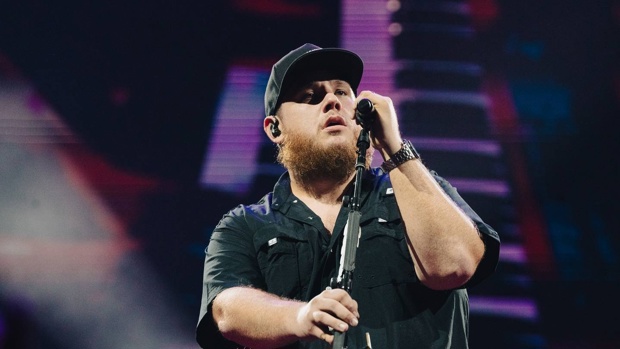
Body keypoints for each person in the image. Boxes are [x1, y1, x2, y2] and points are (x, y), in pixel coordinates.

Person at [196, 43, 500, 349]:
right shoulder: (244, 225)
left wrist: (394, 147)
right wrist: (300, 316)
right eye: (310, 97)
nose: (332, 101)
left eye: (342, 92)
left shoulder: (419, 190)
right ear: (275, 129)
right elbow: (228, 310)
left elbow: (453, 267)